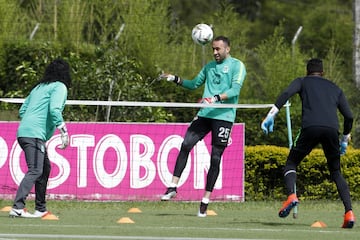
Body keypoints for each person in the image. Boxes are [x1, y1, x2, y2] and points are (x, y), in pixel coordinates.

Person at [261, 58, 355, 228]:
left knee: (291, 163)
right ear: (323, 73)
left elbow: (286, 94)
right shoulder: (335, 88)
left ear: (307, 72)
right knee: (336, 172)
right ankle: (349, 213)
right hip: (332, 130)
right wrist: (344, 139)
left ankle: (291, 196)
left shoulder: (302, 81)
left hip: (310, 127)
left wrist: (271, 114)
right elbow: (349, 116)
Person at [159, 36, 246, 217]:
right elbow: (193, 84)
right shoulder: (208, 67)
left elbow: (234, 91)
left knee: (215, 158)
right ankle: (173, 187)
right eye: (213, 49)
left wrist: (214, 99)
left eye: (218, 49)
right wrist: (173, 78)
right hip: (205, 114)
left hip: (224, 117)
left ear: (227, 49)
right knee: (185, 144)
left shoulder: (237, 66)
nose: (214, 52)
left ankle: (205, 201)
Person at [9, 59, 71, 218]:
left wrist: (33, 121)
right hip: (34, 135)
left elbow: (23, 111)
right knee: (36, 170)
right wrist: (63, 130)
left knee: (44, 169)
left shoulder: (38, 87)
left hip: (24, 132)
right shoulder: (59, 87)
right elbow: (54, 109)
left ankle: (40, 209)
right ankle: (17, 207)